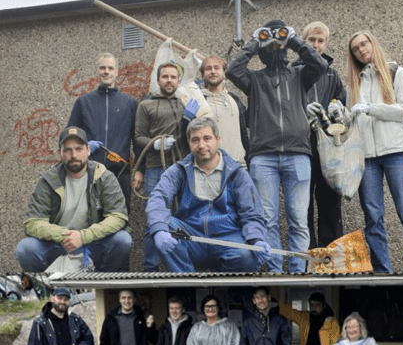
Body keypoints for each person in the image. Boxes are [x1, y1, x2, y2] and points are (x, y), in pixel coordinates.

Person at [227, 19, 328, 272]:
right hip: (263, 157)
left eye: (278, 44)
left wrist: (293, 39)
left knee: (298, 220)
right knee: (268, 219)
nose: (274, 49)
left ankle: (297, 271)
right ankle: (273, 270)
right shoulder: (254, 80)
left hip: (298, 155)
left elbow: (320, 63)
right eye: (268, 45)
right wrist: (254, 41)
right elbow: (232, 71)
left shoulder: (300, 75)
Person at [346, 30, 403, 273]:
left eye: (364, 44)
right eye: (356, 48)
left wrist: (371, 108)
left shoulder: (396, 72)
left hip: (396, 151)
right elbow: (352, 118)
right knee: (373, 218)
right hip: (366, 157)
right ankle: (382, 270)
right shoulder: (356, 81)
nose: (362, 50)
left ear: (373, 43)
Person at [146, 117, 271, 272]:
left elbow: (252, 214)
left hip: (228, 238)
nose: (201, 145)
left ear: (217, 140)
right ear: (189, 142)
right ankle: (186, 286)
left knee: (247, 255)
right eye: (195, 140)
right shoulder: (179, 171)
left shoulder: (237, 174)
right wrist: (159, 231)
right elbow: (157, 198)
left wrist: (257, 240)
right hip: (192, 238)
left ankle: (227, 292)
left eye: (207, 138)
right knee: (162, 225)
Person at [17, 127, 132, 272]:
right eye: (68, 150)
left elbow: (118, 217)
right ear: (60, 153)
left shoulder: (104, 177)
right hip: (58, 246)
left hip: (92, 246)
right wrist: (65, 236)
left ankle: (100, 281)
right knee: (25, 248)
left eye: (79, 149)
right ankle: (49, 286)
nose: (74, 155)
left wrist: (83, 237)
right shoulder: (48, 180)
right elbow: (32, 222)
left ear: (88, 150)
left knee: (122, 240)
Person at [134, 62, 199, 271]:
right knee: (155, 218)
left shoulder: (184, 104)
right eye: (165, 77)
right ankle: (150, 269)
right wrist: (155, 143)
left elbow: (190, 137)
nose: (169, 80)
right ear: (158, 79)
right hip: (156, 168)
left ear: (178, 80)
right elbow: (138, 137)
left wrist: (189, 120)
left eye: (173, 77)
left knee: (183, 218)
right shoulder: (146, 105)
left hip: (182, 167)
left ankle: (179, 268)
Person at [67, 52, 137, 215]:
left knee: (120, 218)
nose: (106, 71)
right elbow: (69, 136)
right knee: (89, 217)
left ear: (117, 72)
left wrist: (139, 169)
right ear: (98, 71)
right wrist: (84, 147)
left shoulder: (129, 103)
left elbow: (136, 137)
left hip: (120, 172)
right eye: (103, 68)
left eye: (110, 68)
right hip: (88, 170)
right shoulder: (83, 102)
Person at [298, 21, 347, 250]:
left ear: (325, 43)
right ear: (303, 41)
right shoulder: (293, 71)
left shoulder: (333, 75)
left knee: (331, 203)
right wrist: (301, 114)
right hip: (301, 147)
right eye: (312, 40)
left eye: (321, 41)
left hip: (329, 147)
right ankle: (309, 255)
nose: (316, 45)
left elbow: (342, 106)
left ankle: (333, 259)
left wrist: (338, 111)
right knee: (303, 204)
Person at [199, 55, 249, 168]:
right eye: (208, 69)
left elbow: (249, 122)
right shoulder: (199, 100)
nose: (212, 71)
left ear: (224, 73)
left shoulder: (234, 99)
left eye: (216, 68)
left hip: (239, 165)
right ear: (203, 75)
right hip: (211, 167)